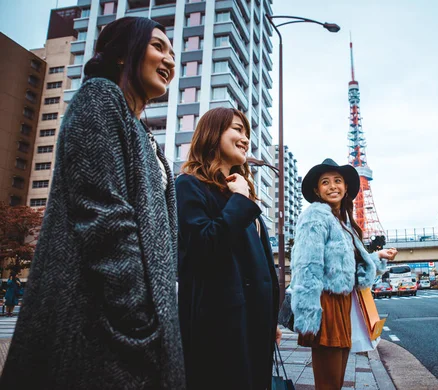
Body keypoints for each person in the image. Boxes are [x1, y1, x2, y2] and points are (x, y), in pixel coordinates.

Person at [0, 17, 185, 388]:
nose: (170, 60)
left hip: (130, 321)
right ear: (122, 55)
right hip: (96, 321)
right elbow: (103, 216)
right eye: (157, 47)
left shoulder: (145, 135)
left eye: (173, 53)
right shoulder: (99, 98)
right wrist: (138, 314)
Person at [176, 107, 281, 389]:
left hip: (255, 324)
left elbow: (260, 265)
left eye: (247, 132)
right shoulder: (189, 186)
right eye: (237, 129)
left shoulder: (241, 193)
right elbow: (204, 247)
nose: (245, 138)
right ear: (212, 134)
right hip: (221, 328)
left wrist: (271, 319)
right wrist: (240, 200)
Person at [290, 158, 397, 390]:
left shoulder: (342, 222)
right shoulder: (315, 216)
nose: (332, 186)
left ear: (346, 187)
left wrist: (378, 257)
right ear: (317, 190)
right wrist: (309, 318)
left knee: (336, 381)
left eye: (337, 181)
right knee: (328, 383)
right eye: (325, 182)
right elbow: (307, 267)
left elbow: (351, 267)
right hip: (325, 306)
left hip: (342, 305)